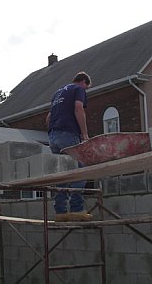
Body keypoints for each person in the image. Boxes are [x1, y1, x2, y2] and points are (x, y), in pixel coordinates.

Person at [46, 71, 93, 222]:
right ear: (83, 82)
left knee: (62, 172)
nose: (85, 91)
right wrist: (85, 134)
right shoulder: (78, 89)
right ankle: (77, 208)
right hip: (68, 134)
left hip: (53, 136)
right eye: (86, 88)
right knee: (82, 168)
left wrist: (52, 133)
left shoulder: (58, 93)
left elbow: (48, 117)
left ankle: (60, 211)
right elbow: (79, 108)